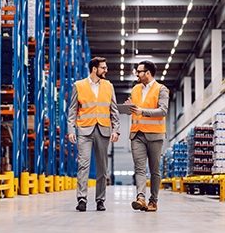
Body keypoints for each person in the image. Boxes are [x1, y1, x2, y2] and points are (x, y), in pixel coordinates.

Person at [67, 57, 120, 212]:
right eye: (103, 67)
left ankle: (100, 200)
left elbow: (114, 110)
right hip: (84, 130)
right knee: (83, 165)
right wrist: (71, 130)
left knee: (102, 168)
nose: (106, 70)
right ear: (95, 69)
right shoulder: (78, 85)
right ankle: (82, 199)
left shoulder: (109, 86)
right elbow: (72, 110)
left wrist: (116, 129)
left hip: (103, 129)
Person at [124, 60, 169, 212]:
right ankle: (141, 198)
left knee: (154, 170)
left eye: (139, 71)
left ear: (148, 73)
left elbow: (163, 111)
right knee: (139, 168)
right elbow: (136, 108)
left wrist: (141, 111)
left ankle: (153, 201)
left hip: (155, 135)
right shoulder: (135, 89)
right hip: (137, 133)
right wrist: (129, 106)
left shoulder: (161, 89)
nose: (137, 74)